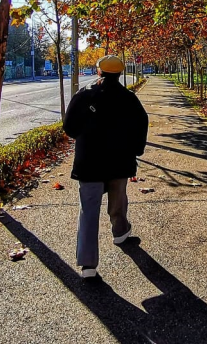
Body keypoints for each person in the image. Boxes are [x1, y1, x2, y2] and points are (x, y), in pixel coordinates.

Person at [63, 55, 149, 278]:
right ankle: (120, 232)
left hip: (89, 161)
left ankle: (88, 264)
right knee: (118, 199)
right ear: (120, 74)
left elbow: (70, 128)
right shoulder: (129, 99)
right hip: (120, 160)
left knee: (89, 211)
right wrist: (136, 150)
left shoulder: (84, 95)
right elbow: (141, 124)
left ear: (99, 72)